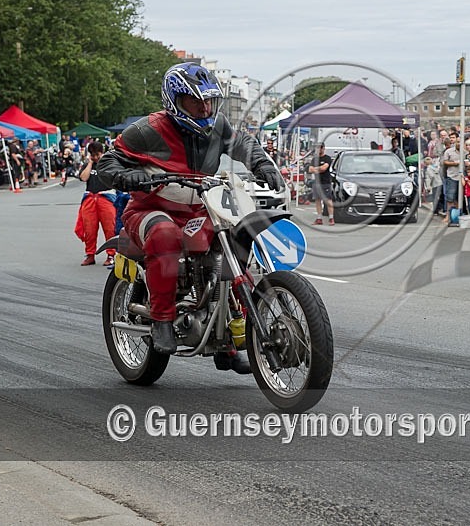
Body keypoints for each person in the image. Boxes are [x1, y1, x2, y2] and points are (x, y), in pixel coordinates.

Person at [98, 62, 281, 366]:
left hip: (201, 207)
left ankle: (228, 343)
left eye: (208, 102)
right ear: (175, 101)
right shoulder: (148, 130)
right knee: (165, 235)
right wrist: (126, 176)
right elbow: (108, 163)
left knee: (232, 244)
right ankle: (162, 320)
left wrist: (261, 163)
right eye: (194, 102)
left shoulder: (218, 125)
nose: (203, 109)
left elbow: (242, 143)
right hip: (149, 209)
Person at [74, 142, 116, 267]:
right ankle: (90, 254)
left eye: (97, 154)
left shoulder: (108, 163)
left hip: (106, 197)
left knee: (110, 228)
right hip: (90, 198)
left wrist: (102, 161)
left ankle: (111, 254)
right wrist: (90, 163)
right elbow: (84, 178)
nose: (96, 157)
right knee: (89, 229)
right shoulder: (88, 164)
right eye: (93, 155)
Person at [309, 143, 334, 226]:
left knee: (328, 200)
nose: (319, 150)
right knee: (317, 200)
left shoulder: (327, 158)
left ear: (324, 149)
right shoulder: (314, 159)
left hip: (325, 182)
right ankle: (319, 218)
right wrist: (319, 168)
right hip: (316, 183)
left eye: (320, 148)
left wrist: (317, 168)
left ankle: (331, 218)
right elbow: (310, 169)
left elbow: (324, 168)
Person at [441, 132, 462, 223]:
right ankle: (448, 216)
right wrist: (454, 163)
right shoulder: (448, 151)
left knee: (459, 199)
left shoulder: (465, 152)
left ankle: (457, 217)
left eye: (460, 142)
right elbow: (445, 162)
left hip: (462, 178)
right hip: (451, 177)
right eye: (457, 142)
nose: (458, 144)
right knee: (450, 198)